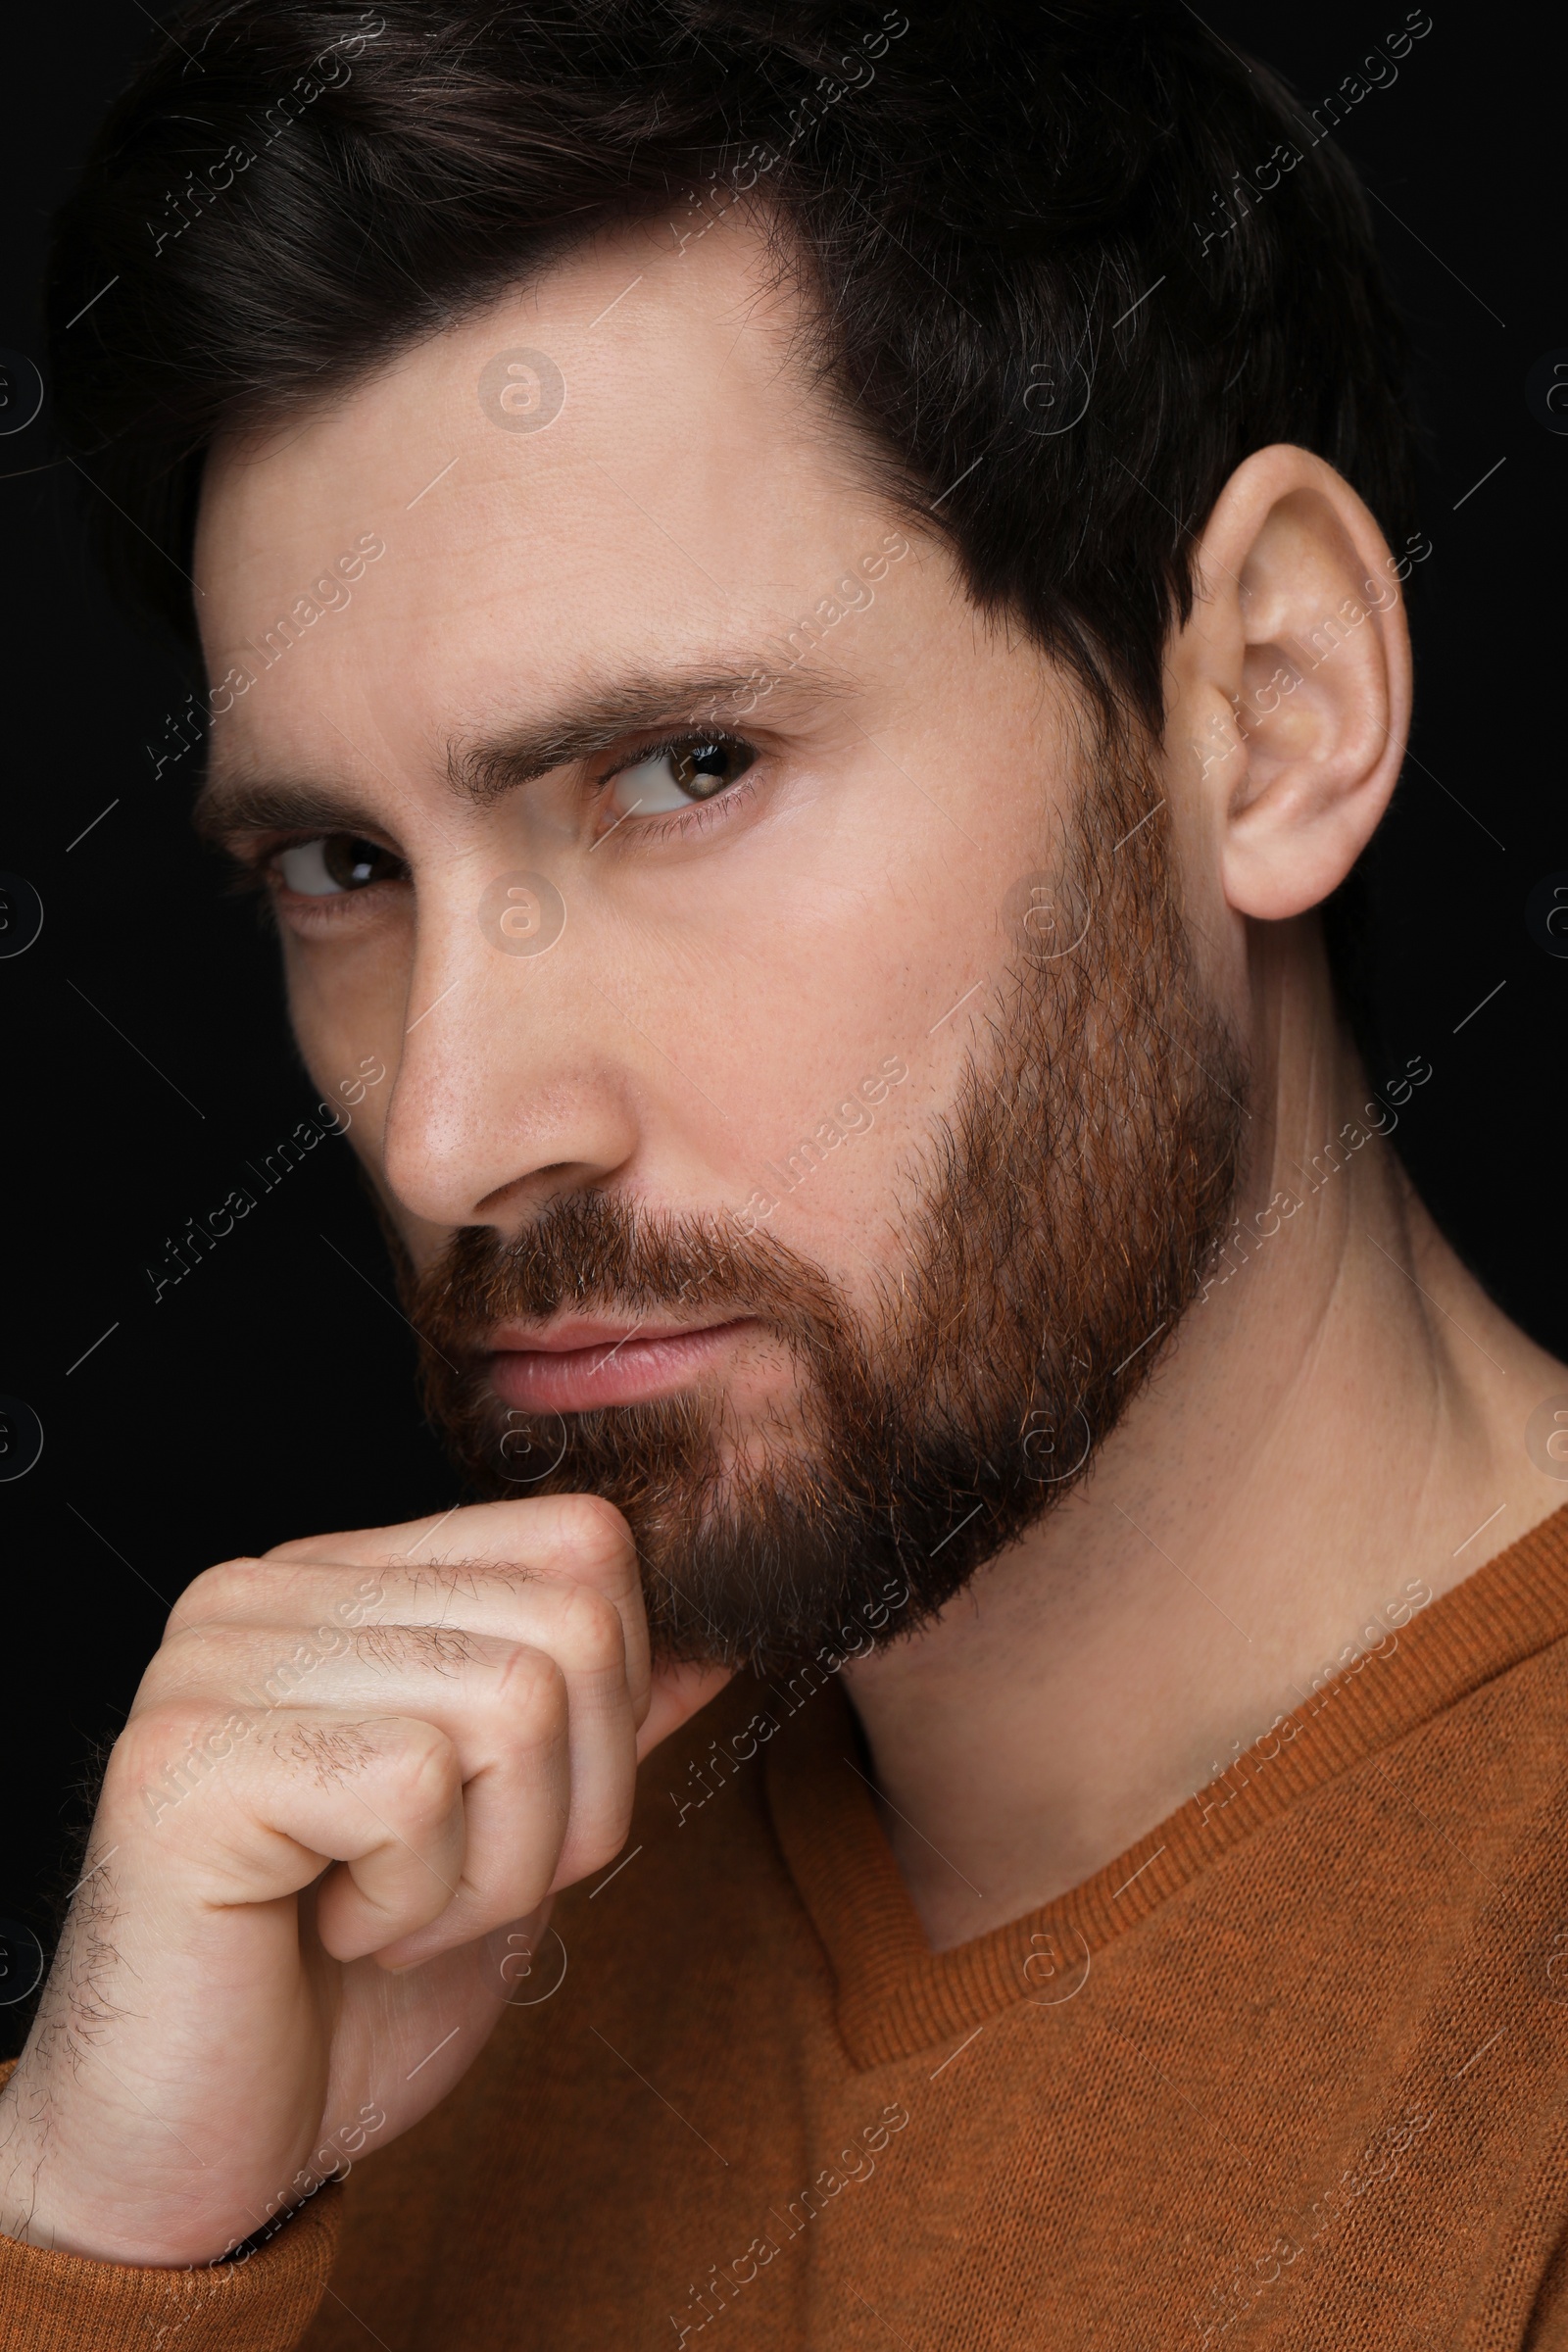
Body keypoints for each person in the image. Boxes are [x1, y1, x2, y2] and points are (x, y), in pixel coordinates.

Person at [4, 2, 1566, 2344]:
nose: (451, 1132)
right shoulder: (348, 1983)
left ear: (1267, 702)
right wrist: (88, 2223)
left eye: (685, 768)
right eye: (340, 861)